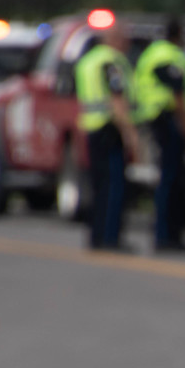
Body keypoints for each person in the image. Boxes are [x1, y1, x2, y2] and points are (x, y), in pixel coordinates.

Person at [130, 20, 185, 255]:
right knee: (172, 181)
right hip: (170, 121)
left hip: (161, 121)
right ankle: (167, 236)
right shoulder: (168, 57)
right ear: (178, 35)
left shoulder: (153, 54)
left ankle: (169, 235)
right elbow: (180, 98)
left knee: (170, 179)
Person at [73, 25, 139, 252]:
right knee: (114, 187)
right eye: (125, 39)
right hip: (109, 128)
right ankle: (111, 238)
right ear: (115, 39)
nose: (127, 44)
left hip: (92, 128)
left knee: (99, 186)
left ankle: (97, 236)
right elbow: (117, 99)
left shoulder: (88, 61)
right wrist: (131, 135)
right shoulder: (111, 62)